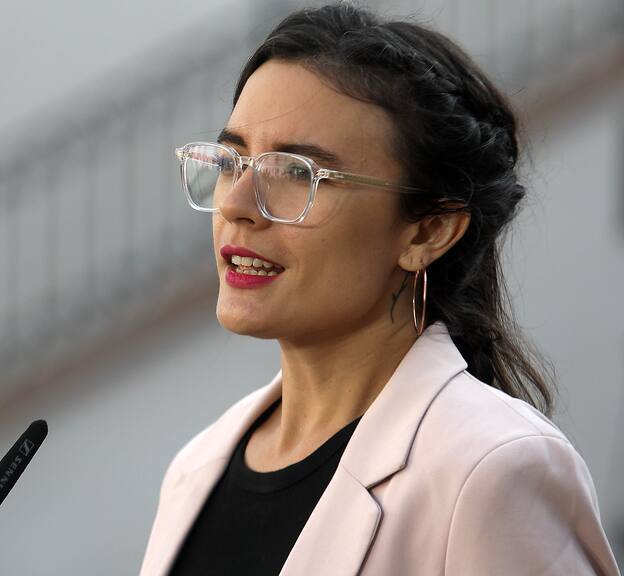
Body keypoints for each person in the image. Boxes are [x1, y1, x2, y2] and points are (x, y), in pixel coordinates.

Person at [139, 3, 621, 575]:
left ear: (428, 230)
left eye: (296, 173)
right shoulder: (197, 469)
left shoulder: (491, 471)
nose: (237, 206)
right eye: (233, 160)